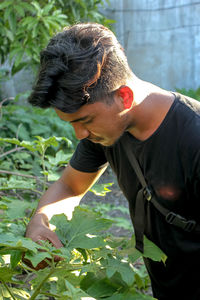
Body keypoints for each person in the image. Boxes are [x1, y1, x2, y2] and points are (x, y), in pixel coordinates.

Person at [26, 23, 200, 300]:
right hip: (165, 284)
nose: (80, 134)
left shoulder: (193, 138)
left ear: (125, 97)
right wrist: (40, 220)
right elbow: (71, 187)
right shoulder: (107, 130)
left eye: (85, 121)